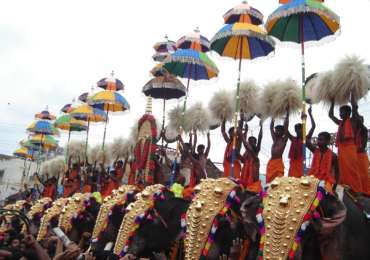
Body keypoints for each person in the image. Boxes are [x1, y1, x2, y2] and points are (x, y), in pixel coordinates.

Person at [329, 96, 363, 193]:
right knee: (342, 171)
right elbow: (331, 115)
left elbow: (355, 108)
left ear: (348, 113)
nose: (340, 114)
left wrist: (352, 96)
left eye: (342, 112)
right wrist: (332, 102)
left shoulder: (353, 121)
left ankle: (357, 190)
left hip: (350, 149)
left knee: (352, 170)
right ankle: (345, 189)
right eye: (340, 112)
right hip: (341, 149)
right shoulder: (340, 123)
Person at [307, 109, 339, 187]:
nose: (318, 141)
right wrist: (310, 115)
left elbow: (337, 173)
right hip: (313, 181)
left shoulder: (333, 156)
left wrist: (334, 187)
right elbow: (307, 140)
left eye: (321, 139)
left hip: (326, 184)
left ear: (327, 141)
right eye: (318, 139)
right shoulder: (315, 150)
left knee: (319, 196)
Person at [288, 107, 316, 178]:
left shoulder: (306, 138)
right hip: (292, 164)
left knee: (299, 181)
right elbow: (286, 130)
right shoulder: (293, 138)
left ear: (302, 129)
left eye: (299, 129)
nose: (298, 131)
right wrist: (287, 114)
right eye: (296, 129)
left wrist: (310, 114)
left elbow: (313, 127)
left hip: (300, 163)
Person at [266, 109, 289, 183]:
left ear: (283, 132)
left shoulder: (284, 140)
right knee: (270, 183)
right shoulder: (275, 139)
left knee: (278, 182)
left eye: (279, 130)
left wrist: (287, 114)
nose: (277, 132)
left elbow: (286, 126)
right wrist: (273, 115)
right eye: (276, 130)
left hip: (278, 162)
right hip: (271, 162)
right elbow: (271, 128)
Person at [240, 120, 263, 186]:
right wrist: (246, 131)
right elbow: (242, 160)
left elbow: (260, 138)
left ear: (255, 143)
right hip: (245, 172)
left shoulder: (256, 150)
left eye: (253, 141)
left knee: (253, 187)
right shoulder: (246, 152)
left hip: (253, 171)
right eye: (250, 141)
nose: (251, 143)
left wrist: (261, 127)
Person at [355, 116, 369, 194]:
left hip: (361, 156)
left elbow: (362, 147)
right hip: (355, 156)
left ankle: (366, 192)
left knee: (363, 176)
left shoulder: (364, 130)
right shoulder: (353, 131)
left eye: (358, 120)